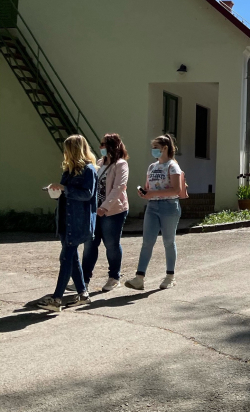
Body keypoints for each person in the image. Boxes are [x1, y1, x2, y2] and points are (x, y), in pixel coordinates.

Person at [38, 135, 97, 312]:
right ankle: (83, 294)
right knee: (72, 258)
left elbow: (87, 194)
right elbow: (66, 194)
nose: (65, 153)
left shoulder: (89, 170)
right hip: (65, 220)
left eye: (67, 149)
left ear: (74, 150)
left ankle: (57, 299)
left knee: (66, 258)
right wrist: (56, 190)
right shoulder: (69, 170)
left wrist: (65, 188)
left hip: (78, 221)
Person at [125, 134, 183, 291]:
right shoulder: (152, 167)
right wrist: (144, 193)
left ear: (165, 148)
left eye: (156, 147)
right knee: (147, 242)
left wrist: (153, 194)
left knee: (168, 241)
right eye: (152, 148)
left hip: (169, 207)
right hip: (152, 207)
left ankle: (170, 277)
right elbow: (148, 187)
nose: (153, 150)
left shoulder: (173, 166)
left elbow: (176, 190)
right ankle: (139, 278)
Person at [82, 133, 129, 292]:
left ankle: (114, 278)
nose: (100, 147)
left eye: (103, 144)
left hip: (113, 211)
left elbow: (119, 187)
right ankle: (83, 280)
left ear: (111, 146)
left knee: (111, 244)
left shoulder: (121, 164)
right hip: (95, 211)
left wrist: (105, 207)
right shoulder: (100, 163)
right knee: (90, 244)